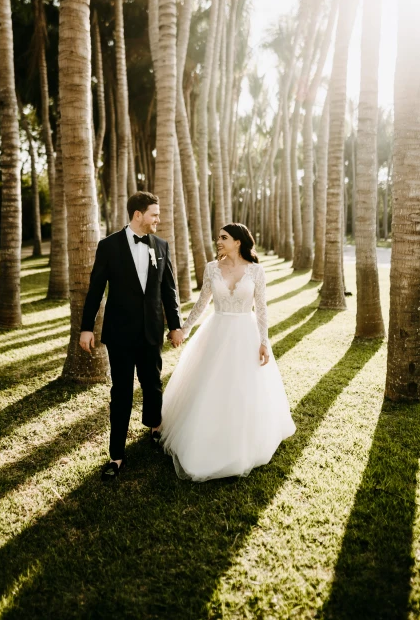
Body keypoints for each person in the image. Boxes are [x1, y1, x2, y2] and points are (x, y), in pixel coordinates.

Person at [161, 223, 296, 482]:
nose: (219, 242)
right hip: (217, 331)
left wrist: (264, 342)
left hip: (246, 334)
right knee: (211, 385)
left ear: (238, 241)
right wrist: (185, 330)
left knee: (243, 388)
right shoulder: (212, 268)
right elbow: (202, 304)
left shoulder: (256, 271)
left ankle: (242, 441)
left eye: (224, 238)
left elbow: (262, 309)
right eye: (218, 238)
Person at [80, 191, 183, 481]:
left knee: (152, 384)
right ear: (138, 215)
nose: (158, 220)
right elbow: (96, 289)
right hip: (120, 333)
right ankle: (116, 455)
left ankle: (154, 428)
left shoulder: (161, 246)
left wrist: (174, 325)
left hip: (152, 330)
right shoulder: (109, 246)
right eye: (154, 214)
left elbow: (169, 290)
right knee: (121, 392)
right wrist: (86, 327)